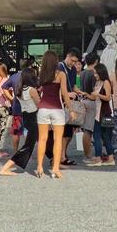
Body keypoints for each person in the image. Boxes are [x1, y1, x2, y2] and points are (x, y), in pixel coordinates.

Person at [33, 50, 71, 179]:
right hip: (57, 109)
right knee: (57, 139)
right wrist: (71, 109)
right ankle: (55, 168)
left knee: (42, 139)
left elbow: (40, 90)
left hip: (43, 109)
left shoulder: (41, 75)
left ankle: (39, 167)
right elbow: (64, 93)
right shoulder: (60, 74)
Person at [0, 65, 39, 176]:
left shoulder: (20, 90)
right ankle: (6, 167)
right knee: (28, 146)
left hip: (25, 116)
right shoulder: (32, 90)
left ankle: (54, 158)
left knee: (37, 141)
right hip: (33, 117)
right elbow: (39, 104)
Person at [88, 62, 115, 165]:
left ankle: (98, 158)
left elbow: (108, 97)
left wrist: (97, 94)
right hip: (99, 112)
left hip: (105, 113)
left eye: (96, 73)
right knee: (104, 136)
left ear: (101, 73)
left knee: (98, 135)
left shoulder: (106, 82)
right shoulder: (98, 82)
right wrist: (85, 94)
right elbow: (94, 97)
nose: (95, 75)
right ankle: (110, 158)